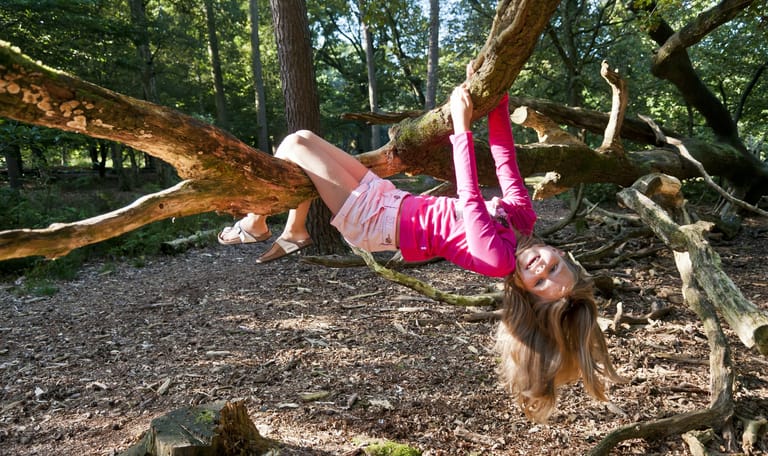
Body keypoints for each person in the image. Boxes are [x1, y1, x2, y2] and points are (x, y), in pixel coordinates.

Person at [219, 63, 623, 420]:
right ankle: (292, 230)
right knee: (302, 141)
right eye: (552, 266)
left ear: (523, 287)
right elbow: (505, 161)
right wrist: (498, 102)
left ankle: (261, 222)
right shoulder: (522, 221)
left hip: (376, 222)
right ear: (559, 253)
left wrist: (462, 126)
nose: (540, 268)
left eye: (538, 281)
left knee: (294, 145)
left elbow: (469, 196)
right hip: (392, 201)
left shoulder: (498, 259)